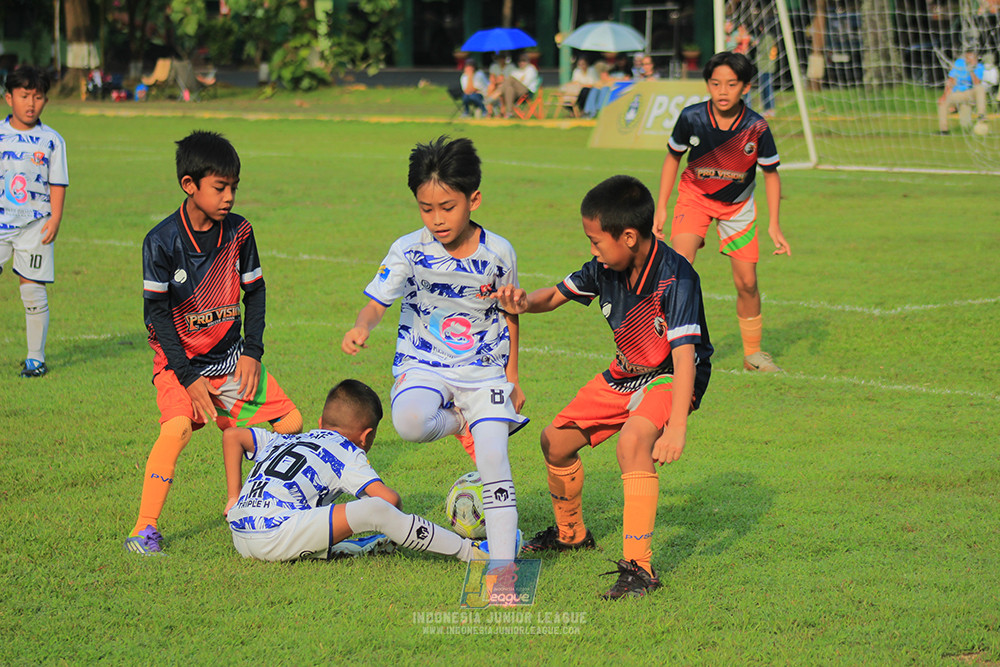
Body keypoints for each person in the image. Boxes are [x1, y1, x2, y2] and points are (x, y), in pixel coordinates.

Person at [492, 175, 713, 600]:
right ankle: (571, 533)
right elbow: (554, 296)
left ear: (628, 236)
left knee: (632, 443)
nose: (592, 249)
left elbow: (686, 356)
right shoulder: (605, 268)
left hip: (672, 376)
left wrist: (677, 428)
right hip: (626, 372)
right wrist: (523, 301)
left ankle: (640, 569)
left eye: (596, 241)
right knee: (555, 442)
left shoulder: (677, 278)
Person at [341, 136, 527, 564]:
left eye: (448, 207)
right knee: (408, 422)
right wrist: (361, 325)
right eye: (427, 209)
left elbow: (511, 313)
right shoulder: (408, 249)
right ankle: (462, 419)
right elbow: (376, 302)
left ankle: (502, 568)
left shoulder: (499, 253)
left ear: (473, 199)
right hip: (424, 362)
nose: (437, 219)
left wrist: (513, 377)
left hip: (485, 371)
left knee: (495, 459)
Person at [126, 130, 302, 555]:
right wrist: (187, 377)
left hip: (229, 359)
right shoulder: (162, 241)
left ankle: (247, 502)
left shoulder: (239, 232)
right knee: (178, 429)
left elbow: (254, 292)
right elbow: (158, 316)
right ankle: (144, 530)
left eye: (233, 188)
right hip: (179, 364)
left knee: (292, 423)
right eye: (220, 187)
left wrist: (253, 352)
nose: (229, 197)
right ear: (190, 186)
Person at [224, 379, 490, 563]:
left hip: (240, 534)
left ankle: (348, 549)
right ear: (366, 436)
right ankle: (471, 552)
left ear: (320, 423)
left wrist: (233, 498)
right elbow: (389, 502)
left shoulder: (284, 438)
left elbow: (232, 436)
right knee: (376, 510)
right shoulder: (347, 451)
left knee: (311, 515)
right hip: (276, 534)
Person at [653, 51, 791, 373]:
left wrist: (775, 225)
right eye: (716, 84)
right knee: (678, 271)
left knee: (747, 283)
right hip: (694, 198)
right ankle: (664, 351)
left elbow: (771, 174)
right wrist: (661, 206)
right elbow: (673, 158)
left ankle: (753, 355)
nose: (722, 91)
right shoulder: (692, 117)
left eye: (731, 84)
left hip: (738, 206)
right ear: (707, 85)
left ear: (745, 86)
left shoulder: (756, 127)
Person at [1, 66, 68, 378]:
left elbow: (58, 183)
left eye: (38, 97)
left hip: (35, 225)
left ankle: (35, 359)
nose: (31, 103)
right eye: (24, 96)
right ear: (8, 98)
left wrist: (55, 218)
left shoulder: (52, 141)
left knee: (32, 291)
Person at [937, 48, 987, 134]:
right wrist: (944, 96)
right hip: (957, 94)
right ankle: (944, 130)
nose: (968, 59)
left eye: (971, 57)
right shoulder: (959, 63)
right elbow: (951, 80)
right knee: (942, 103)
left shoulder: (980, 67)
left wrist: (971, 69)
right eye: (967, 57)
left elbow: (977, 83)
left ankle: (981, 114)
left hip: (970, 93)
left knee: (980, 88)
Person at [500, 52, 540, 118]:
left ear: (528, 62)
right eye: (520, 61)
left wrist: (515, 82)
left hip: (527, 93)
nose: (522, 63)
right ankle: (509, 113)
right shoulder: (516, 71)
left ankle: (494, 95)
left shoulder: (531, 69)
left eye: (524, 61)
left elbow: (526, 83)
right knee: (509, 88)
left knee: (510, 79)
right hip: (517, 93)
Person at [755, 30, 778, 117]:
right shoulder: (764, 37)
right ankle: (766, 109)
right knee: (764, 89)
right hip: (763, 67)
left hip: (767, 67)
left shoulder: (767, 38)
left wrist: (757, 45)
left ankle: (770, 109)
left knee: (767, 88)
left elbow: (765, 51)